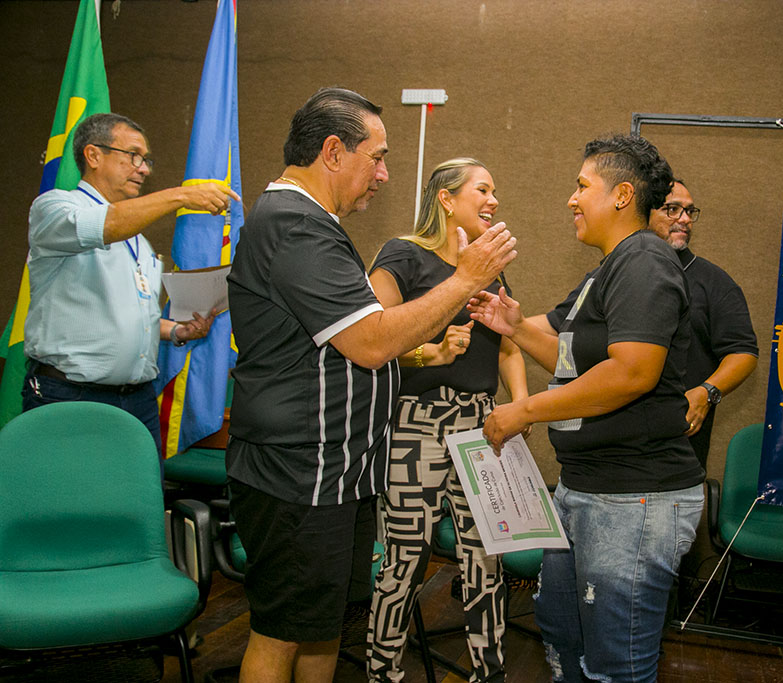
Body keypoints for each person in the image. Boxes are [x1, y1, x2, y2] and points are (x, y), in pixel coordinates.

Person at [225, 88, 517, 683]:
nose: (384, 174)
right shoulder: (295, 227)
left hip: (335, 470)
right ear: (333, 151)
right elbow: (374, 341)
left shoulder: (315, 226)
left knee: (322, 623)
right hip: (298, 471)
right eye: (377, 156)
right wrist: (463, 281)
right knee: (281, 631)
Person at [468, 135, 703, 682]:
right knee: (565, 643)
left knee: (615, 667)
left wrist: (524, 411)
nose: (571, 199)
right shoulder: (608, 268)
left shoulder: (644, 260)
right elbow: (572, 357)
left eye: (581, 186)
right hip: (587, 491)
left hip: (634, 500)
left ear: (622, 195)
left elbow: (631, 372)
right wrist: (515, 327)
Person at [366, 158, 528, 682]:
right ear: (445, 197)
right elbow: (370, 338)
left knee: (486, 559)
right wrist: (429, 352)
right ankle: (382, 671)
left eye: (495, 190)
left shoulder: (488, 269)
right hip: (417, 424)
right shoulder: (403, 255)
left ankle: (489, 672)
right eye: (483, 188)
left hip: (482, 424)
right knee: (405, 563)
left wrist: (519, 407)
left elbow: (507, 350)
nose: (493, 200)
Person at [22, 112, 235, 453]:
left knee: (136, 502)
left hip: (137, 400)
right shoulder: (54, 208)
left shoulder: (139, 242)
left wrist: (178, 331)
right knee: (70, 502)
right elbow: (104, 226)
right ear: (93, 155)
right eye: (134, 156)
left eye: (146, 159)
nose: (144, 168)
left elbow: (132, 316)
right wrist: (181, 196)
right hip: (71, 396)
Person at [537, 179, 758, 469]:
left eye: (690, 212)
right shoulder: (607, 274)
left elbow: (743, 352)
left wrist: (707, 392)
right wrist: (493, 321)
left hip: (666, 458)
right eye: (672, 209)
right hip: (600, 455)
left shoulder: (714, 282)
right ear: (645, 211)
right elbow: (553, 326)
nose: (684, 219)